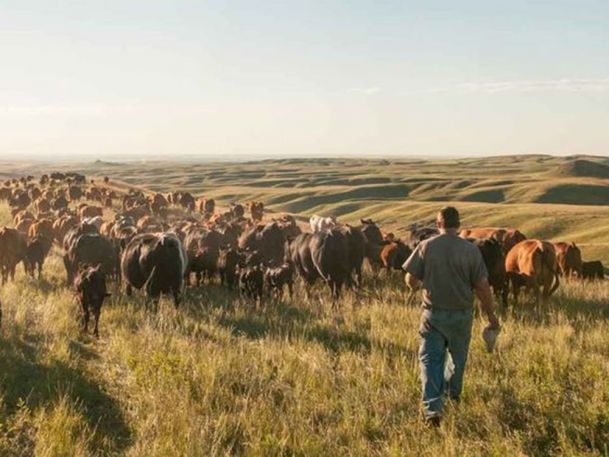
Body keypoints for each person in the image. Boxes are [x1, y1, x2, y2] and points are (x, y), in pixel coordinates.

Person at [402, 206, 500, 426]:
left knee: (430, 360)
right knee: (458, 358)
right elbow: (483, 286)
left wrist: (416, 285)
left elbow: (410, 279)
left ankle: (433, 410)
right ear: (458, 226)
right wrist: (490, 315)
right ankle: (453, 398)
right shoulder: (471, 250)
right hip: (462, 314)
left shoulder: (426, 246)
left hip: (432, 314)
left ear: (438, 224)